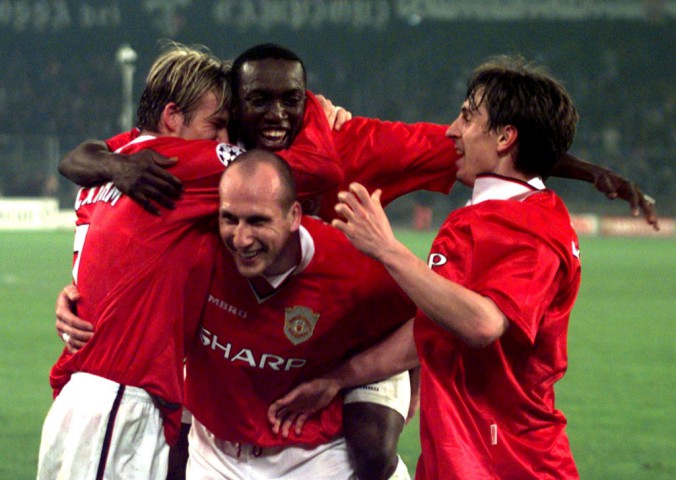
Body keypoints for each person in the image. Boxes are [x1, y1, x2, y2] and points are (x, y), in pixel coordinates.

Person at [56, 42, 660, 480]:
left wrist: (592, 173)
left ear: (308, 100)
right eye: (256, 101)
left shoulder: (352, 145)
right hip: (243, 337)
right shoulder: (211, 164)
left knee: (369, 447)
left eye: (292, 101)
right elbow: (108, 195)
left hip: (352, 323)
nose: (275, 115)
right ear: (235, 106)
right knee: (188, 434)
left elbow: (496, 149)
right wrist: (85, 291)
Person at [273, 55, 588, 478]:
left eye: (467, 117)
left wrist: (386, 248)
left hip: (510, 460)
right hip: (456, 456)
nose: (452, 131)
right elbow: (433, 326)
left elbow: (481, 324)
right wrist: (339, 378)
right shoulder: (484, 217)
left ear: (505, 138)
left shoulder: (532, 224)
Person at [38, 43, 338, 480]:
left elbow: (80, 158)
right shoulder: (182, 165)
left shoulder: (111, 166)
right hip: (121, 400)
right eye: (216, 126)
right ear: (173, 117)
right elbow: (317, 170)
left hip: (87, 393)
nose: (223, 141)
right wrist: (310, 106)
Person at [184, 148, 413, 479]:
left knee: (374, 454)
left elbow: (427, 324)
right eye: (229, 218)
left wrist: (341, 378)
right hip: (214, 455)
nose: (241, 238)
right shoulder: (197, 251)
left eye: (258, 220)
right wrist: (80, 305)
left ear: (293, 215)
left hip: (312, 456)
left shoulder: (352, 264)